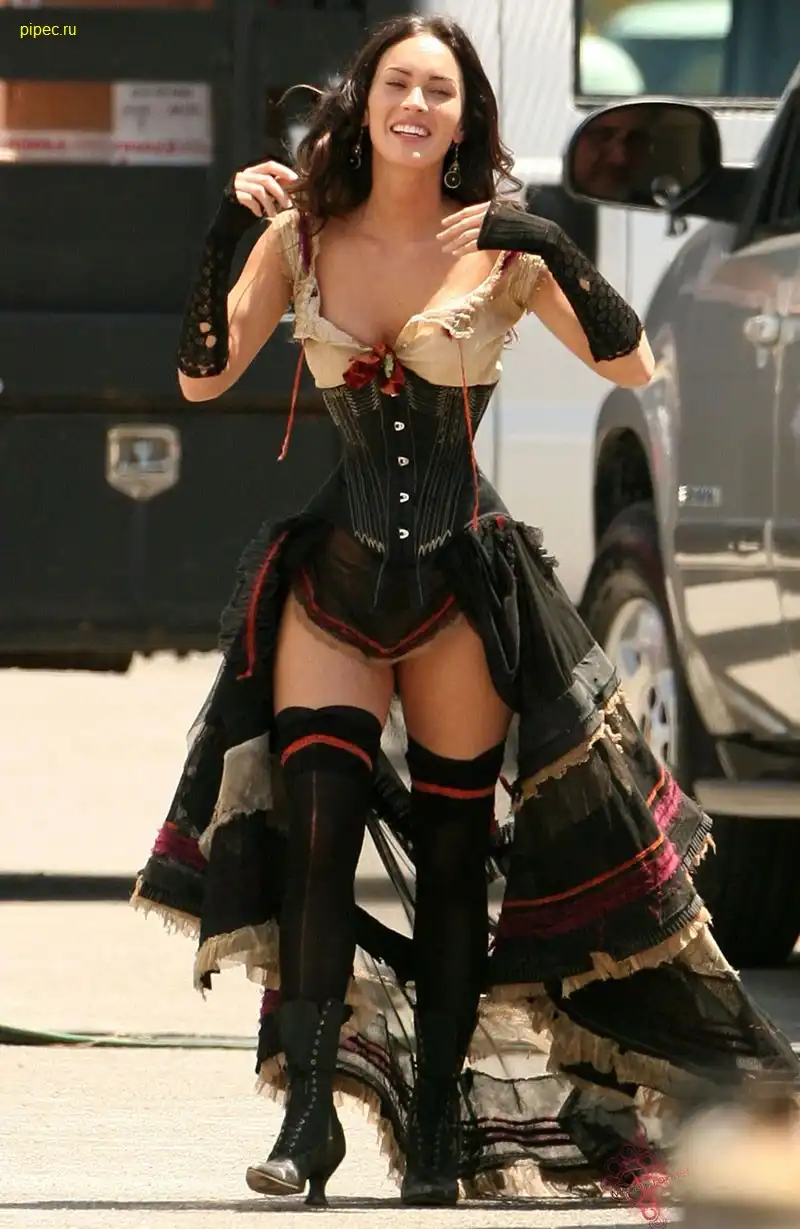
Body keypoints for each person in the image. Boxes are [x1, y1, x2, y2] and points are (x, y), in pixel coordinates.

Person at [131, 12, 800, 1210]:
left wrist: (545, 239)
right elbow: (200, 373)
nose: (415, 106)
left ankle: (436, 1120)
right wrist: (229, 228)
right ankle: (306, 1119)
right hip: (333, 580)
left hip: (461, 586)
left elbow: (632, 364)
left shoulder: (498, 244)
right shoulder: (300, 232)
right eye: (397, 83)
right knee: (317, 838)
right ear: (363, 101)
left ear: (464, 118)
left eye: (438, 91)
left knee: (451, 861)